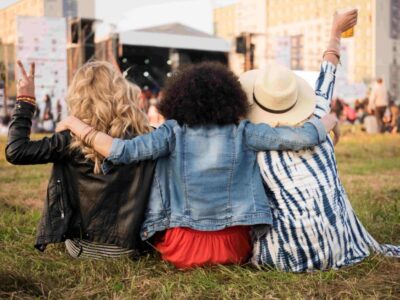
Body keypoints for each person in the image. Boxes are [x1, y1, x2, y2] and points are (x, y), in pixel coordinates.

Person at [56, 62, 338, 269]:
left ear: (179, 99)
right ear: (231, 98)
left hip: (181, 249)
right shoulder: (244, 131)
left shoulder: (171, 132)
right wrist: (328, 122)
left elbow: (121, 152)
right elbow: (300, 138)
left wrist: (77, 125)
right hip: (235, 247)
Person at [240, 9, 399, 272]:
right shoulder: (317, 117)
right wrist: (335, 32)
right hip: (339, 246)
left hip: (284, 257)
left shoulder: (252, 139)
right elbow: (328, 73)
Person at [6, 61, 155, 259]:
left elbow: (16, 151)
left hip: (83, 248)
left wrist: (25, 101)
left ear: (78, 95)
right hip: (131, 246)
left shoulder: (70, 140)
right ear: (120, 90)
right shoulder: (145, 136)